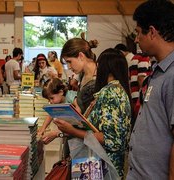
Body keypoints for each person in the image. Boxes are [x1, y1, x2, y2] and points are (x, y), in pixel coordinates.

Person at [55, 48, 132, 178]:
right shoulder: (117, 91)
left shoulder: (111, 93)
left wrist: (73, 131)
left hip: (103, 167)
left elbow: (111, 139)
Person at [127, 1, 174, 180]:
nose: (136, 39)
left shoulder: (172, 75)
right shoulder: (157, 71)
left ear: (152, 32)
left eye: (139, 32)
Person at [60, 36, 98, 114]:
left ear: (81, 56)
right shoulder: (82, 74)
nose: (69, 67)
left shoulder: (100, 76)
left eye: (69, 62)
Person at [38, 78, 79, 144]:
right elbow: (50, 114)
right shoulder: (56, 102)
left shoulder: (69, 96)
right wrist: (43, 128)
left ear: (61, 92)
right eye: (48, 99)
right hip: (67, 132)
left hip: (76, 130)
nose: (50, 102)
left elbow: (78, 106)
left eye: (51, 98)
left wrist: (77, 116)